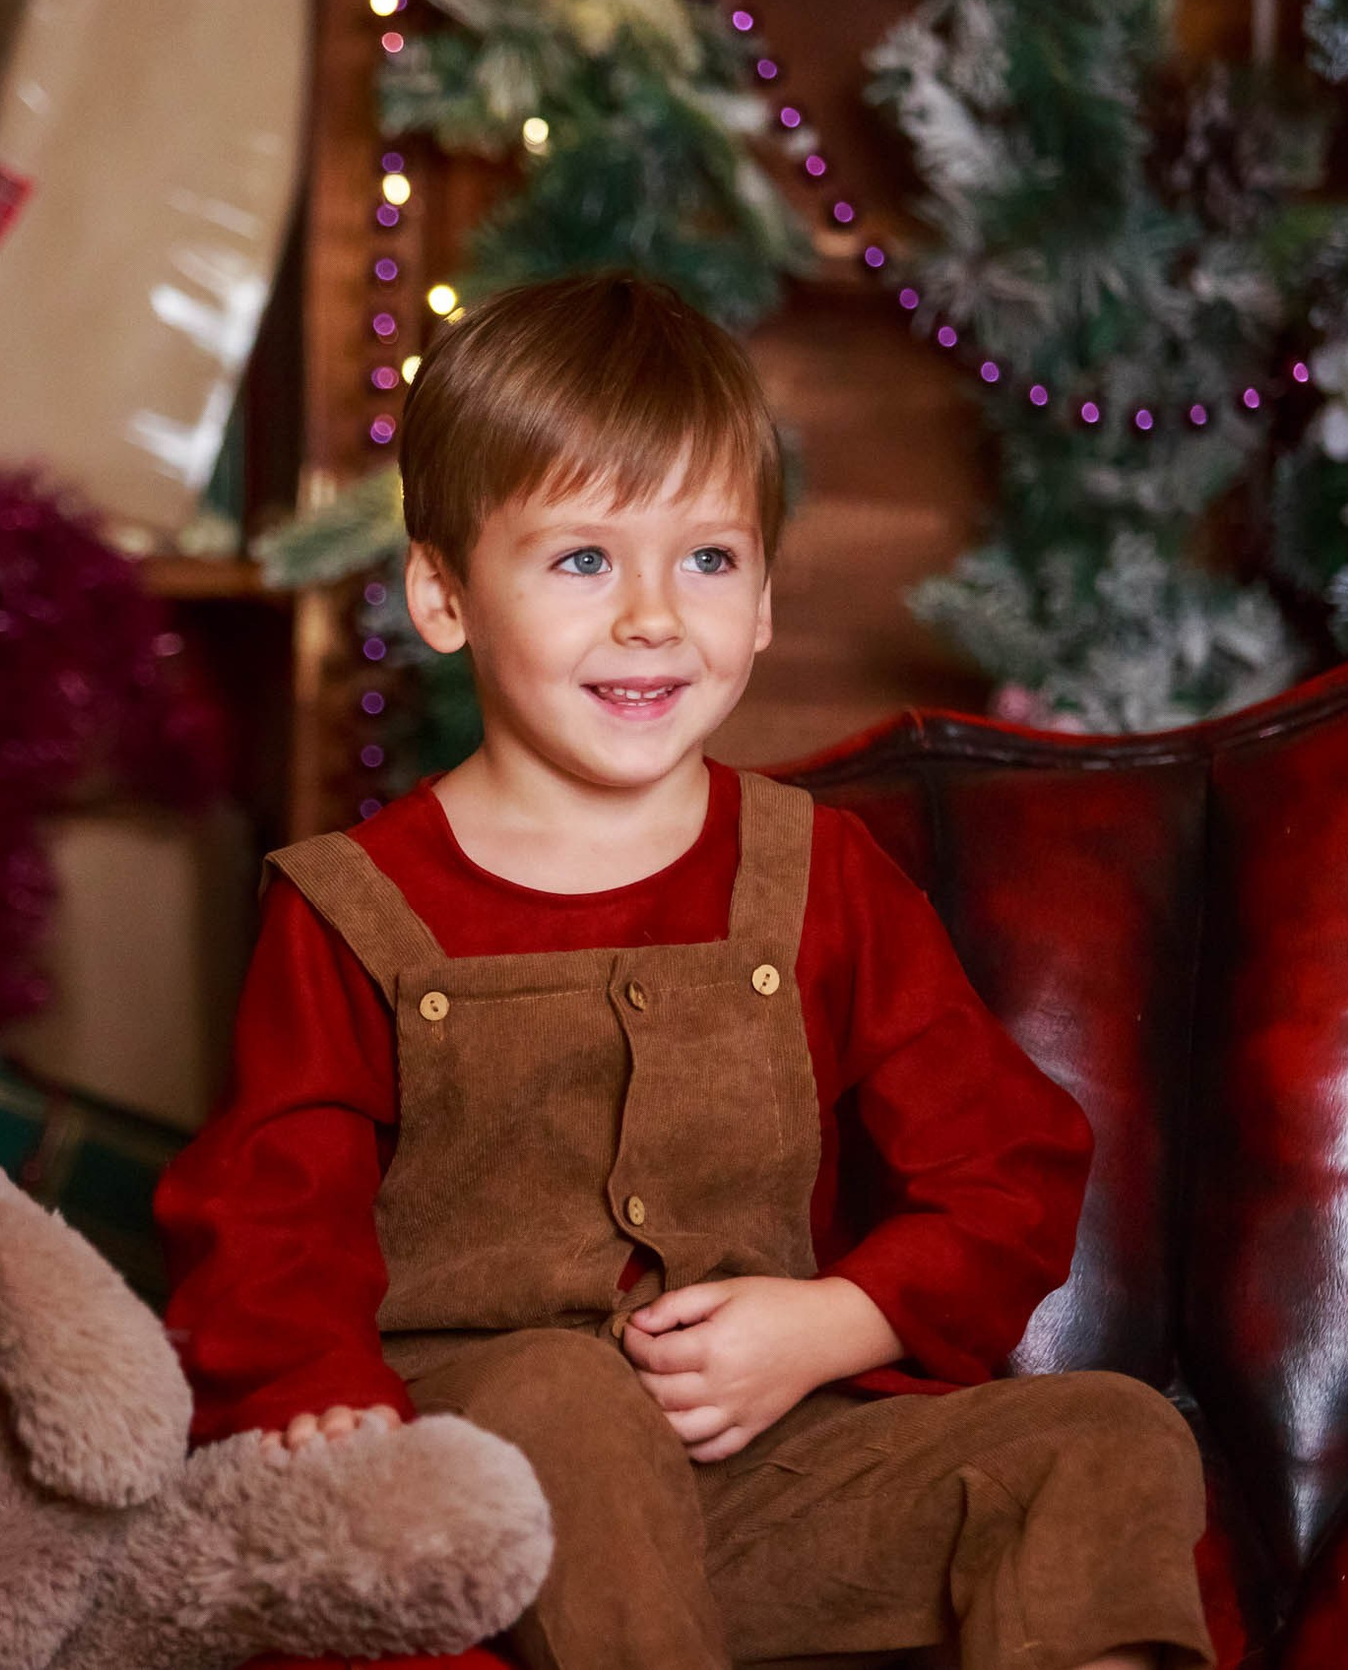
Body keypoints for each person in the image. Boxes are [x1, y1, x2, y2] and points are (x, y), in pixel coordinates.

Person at [154, 272, 1212, 1670]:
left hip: (766, 1493)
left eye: (707, 559)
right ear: (445, 593)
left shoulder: (817, 878)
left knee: (1112, 1435)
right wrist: (333, 1418)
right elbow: (264, 1238)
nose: (654, 615)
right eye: (583, 559)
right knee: (561, 1388)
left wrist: (836, 1320)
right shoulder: (353, 911)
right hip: (483, 1509)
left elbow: (1009, 1165)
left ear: (766, 597)